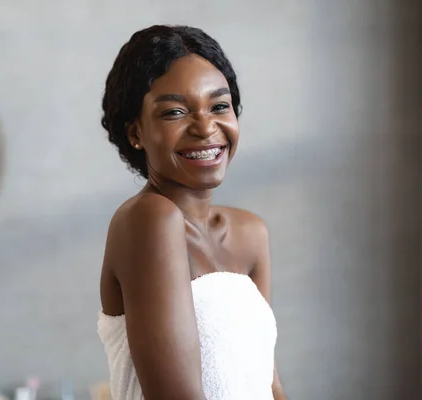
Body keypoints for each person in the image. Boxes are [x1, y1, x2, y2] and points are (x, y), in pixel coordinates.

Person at [97, 25, 288, 400]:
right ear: (136, 132)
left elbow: (269, 385)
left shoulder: (250, 232)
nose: (205, 127)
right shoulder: (149, 219)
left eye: (219, 106)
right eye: (175, 112)